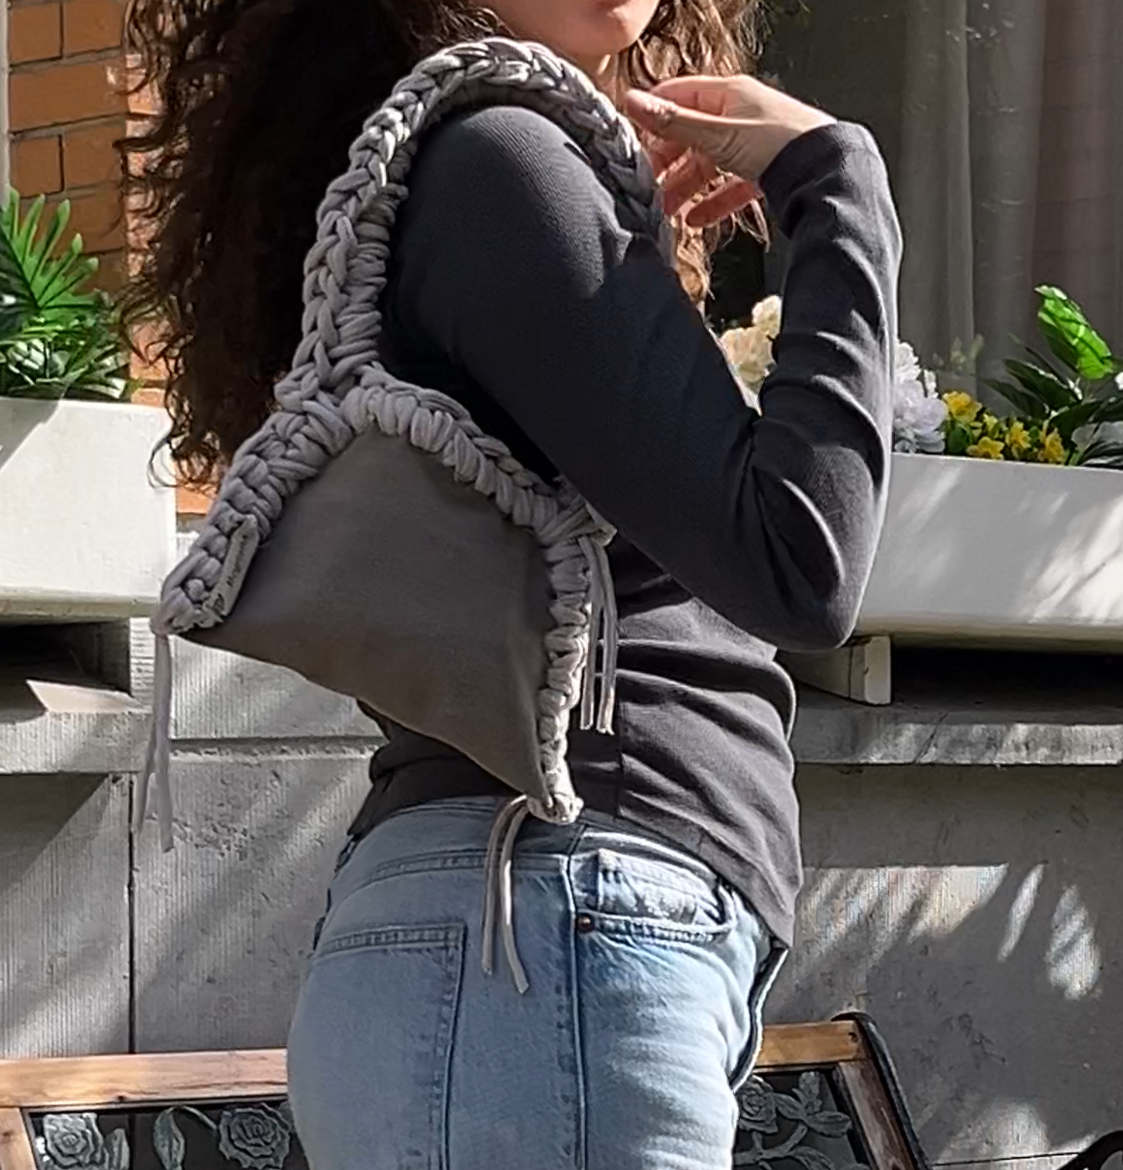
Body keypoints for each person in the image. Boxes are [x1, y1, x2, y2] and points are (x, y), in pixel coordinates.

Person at [121, 0, 900, 1166]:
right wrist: (834, 183)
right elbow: (803, 563)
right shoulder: (495, 157)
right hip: (545, 931)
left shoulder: (483, 162)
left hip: (532, 944)